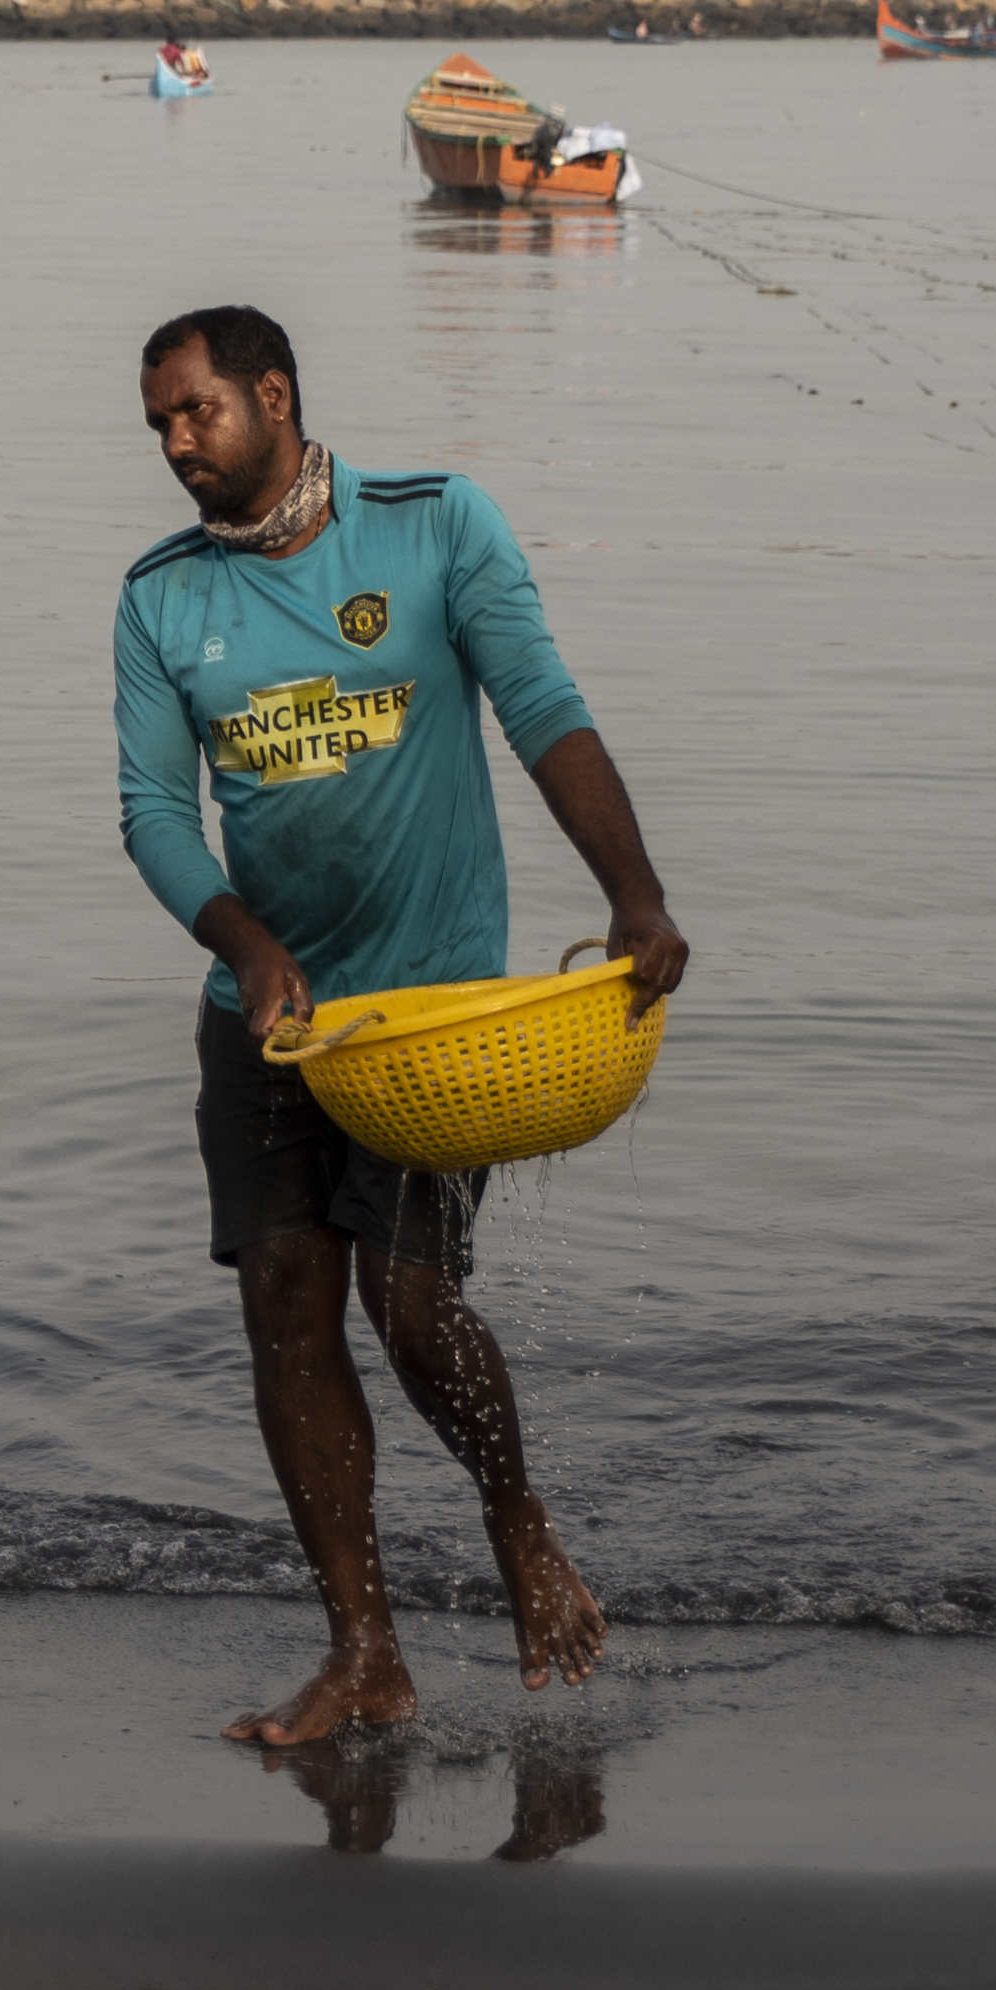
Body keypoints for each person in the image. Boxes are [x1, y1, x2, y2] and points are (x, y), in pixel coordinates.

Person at [112, 301, 686, 1751]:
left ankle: (516, 1523)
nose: (176, 443)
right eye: (159, 424)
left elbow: (540, 706)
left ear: (275, 394)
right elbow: (151, 812)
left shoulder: (433, 525)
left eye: (197, 412)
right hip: (265, 1021)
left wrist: (634, 894)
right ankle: (362, 1650)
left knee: (411, 1305)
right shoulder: (158, 598)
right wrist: (240, 942)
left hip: (428, 1019)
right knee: (285, 1315)